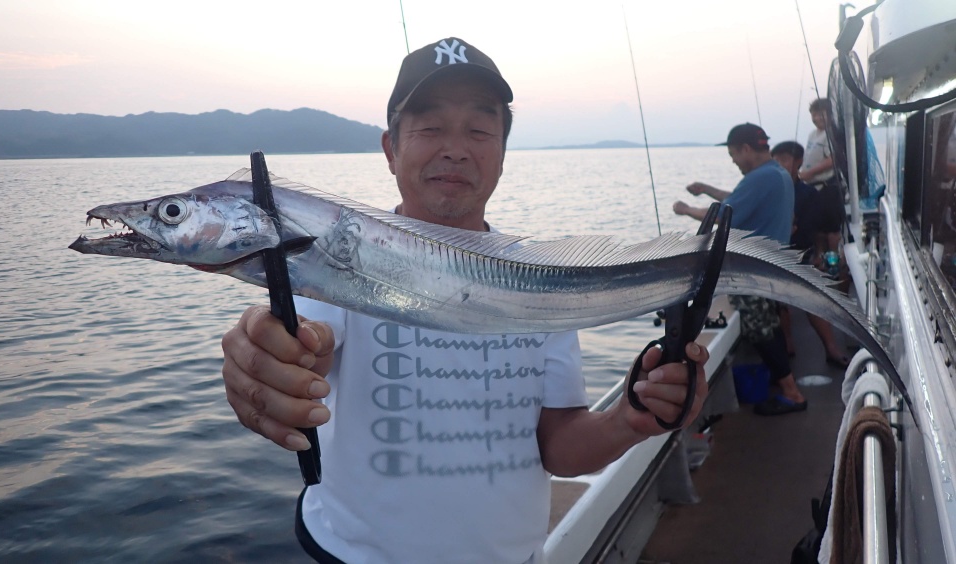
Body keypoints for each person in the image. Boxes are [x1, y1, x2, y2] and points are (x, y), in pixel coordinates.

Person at [220, 37, 709, 564]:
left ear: (501, 153)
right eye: (430, 127)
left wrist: (628, 420)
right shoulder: (339, 256)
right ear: (390, 150)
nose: (455, 148)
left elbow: (558, 445)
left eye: (479, 130)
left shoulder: (538, 281)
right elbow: (305, 343)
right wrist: (270, 356)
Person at [673, 123, 807, 416]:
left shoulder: (760, 178)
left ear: (746, 149)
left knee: (761, 330)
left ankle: (792, 393)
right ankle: (782, 381)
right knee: (769, 326)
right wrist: (706, 189)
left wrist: (684, 209)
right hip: (772, 265)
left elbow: (720, 216)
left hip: (754, 270)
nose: (733, 161)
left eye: (733, 154)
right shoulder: (776, 173)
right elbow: (737, 198)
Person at [771, 141, 852, 369]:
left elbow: (817, 229)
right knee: (779, 302)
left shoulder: (808, 194)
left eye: (784, 159)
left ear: (798, 162)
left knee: (812, 300)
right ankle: (788, 342)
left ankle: (831, 348)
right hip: (775, 254)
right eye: (774, 160)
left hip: (802, 254)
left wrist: (818, 254)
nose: (779, 165)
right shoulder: (770, 191)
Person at [800, 98, 845, 273]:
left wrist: (810, 173)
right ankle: (819, 260)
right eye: (814, 115)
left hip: (828, 188)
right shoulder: (813, 134)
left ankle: (834, 264)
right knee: (817, 229)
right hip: (813, 189)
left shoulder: (832, 133)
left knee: (831, 229)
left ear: (830, 114)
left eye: (821, 114)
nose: (817, 118)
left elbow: (834, 159)